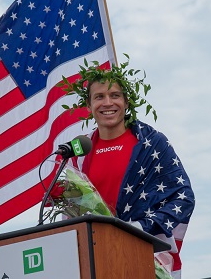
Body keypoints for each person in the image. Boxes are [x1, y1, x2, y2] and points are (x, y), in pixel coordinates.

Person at [62, 56, 195, 279]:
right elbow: (70, 216)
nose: (107, 103)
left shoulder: (152, 144)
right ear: (88, 105)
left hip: (142, 258)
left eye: (115, 95)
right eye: (99, 97)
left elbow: (183, 197)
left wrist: (138, 228)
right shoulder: (79, 155)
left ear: (126, 101)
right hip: (95, 262)